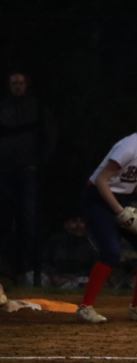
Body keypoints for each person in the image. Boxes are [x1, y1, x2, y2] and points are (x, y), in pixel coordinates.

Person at [75, 99, 137, 324]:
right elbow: (101, 180)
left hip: (119, 200)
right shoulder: (129, 147)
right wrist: (119, 212)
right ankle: (85, 308)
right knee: (111, 252)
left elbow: (135, 179)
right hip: (97, 199)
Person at [0, 71, 57, 282]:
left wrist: (40, 162)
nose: (17, 86)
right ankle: (7, 268)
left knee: (29, 219)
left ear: (26, 85)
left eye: (20, 82)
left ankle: (30, 269)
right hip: (4, 171)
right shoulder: (3, 108)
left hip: (28, 171)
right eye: (13, 82)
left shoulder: (36, 107)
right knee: (5, 219)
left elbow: (50, 135)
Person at [34, 214, 98, 289]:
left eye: (81, 222)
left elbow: (94, 266)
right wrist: (54, 276)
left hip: (78, 278)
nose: (78, 225)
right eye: (74, 222)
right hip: (55, 277)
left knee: (85, 282)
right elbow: (45, 261)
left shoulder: (90, 242)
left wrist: (71, 278)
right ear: (66, 225)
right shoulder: (56, 240)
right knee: (32, 276)